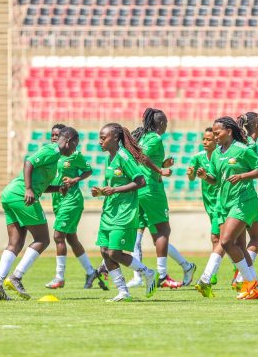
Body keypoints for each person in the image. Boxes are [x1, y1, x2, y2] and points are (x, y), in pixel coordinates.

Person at [0, 126, 79, 301]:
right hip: (22, 194)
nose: (75, 149)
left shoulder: (54, 155)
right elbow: (29, 162)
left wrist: (58, 188)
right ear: (69, 141)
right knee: (43, 239)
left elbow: (42, 184)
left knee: (15, 242)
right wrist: (28, 189)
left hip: (11, 194)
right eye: (75, 145)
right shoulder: (52, 151)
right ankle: (16, 277)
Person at [194, 117, 258, 300]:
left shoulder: (243, 150)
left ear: (229, 131)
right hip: (226, 203)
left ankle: (251, 284)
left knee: (225, 242)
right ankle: (253, 285)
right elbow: (215, 179)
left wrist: (242, 176)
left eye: (217, 133)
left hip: (244, 201)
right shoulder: (217, 153)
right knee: (240, 246)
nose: (215, 136)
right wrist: (204, 176)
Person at [129, 108, 195, 289]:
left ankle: (140, 275)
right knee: (162, 232)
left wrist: (161, 164)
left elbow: (139, 158)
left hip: (138, 189)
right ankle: (163, 275)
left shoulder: (141, 137)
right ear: (161, 123)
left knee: (141, 233)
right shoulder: (154, 138)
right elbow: (141, 156)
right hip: (151, 189)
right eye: (165, 122)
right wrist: (160, 170)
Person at [93, 123, 158, 302]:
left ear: (115, 138)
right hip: (109, 210)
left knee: (114, 252)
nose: (100, 141)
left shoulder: (124, 156)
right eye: (99, 137)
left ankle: (147, 272)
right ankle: (123, 291)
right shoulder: (110, 158)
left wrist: (114, 190)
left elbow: (140, 181)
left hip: (124, 211)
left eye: (103, 138)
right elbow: (114, 185)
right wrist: (101, 191)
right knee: (105, 251)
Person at [46, 124, 106, 290]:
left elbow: (88, 170)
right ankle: (90, 271)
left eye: (57, 135)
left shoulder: (74, 155)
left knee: (58, 236)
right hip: (57, 199)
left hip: (71, 200)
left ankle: (59, 277)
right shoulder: (50, 154)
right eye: (52, 135)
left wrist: (74, 180)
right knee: (71, 238)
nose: (54, 138)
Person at [229, 112, 258, 289]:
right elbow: (257, 173)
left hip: (235, 197)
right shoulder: (251, 144)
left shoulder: (240, 141)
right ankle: (243, 277)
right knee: (257, 237)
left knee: (240, 242)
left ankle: (243, 277)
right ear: (256, 126)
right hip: (246, 197)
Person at [187, 127, 221, 284]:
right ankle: (238, 270)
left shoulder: (221, 156)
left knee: (216, 238)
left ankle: (211, 274)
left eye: (209, 139)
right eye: (204, 139)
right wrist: (190, 174)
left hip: (221, 201)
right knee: (225, 239)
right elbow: (192, 178)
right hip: (209, 202)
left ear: (216, 141)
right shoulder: (198, 157)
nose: (205, 142)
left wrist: (205, 176)